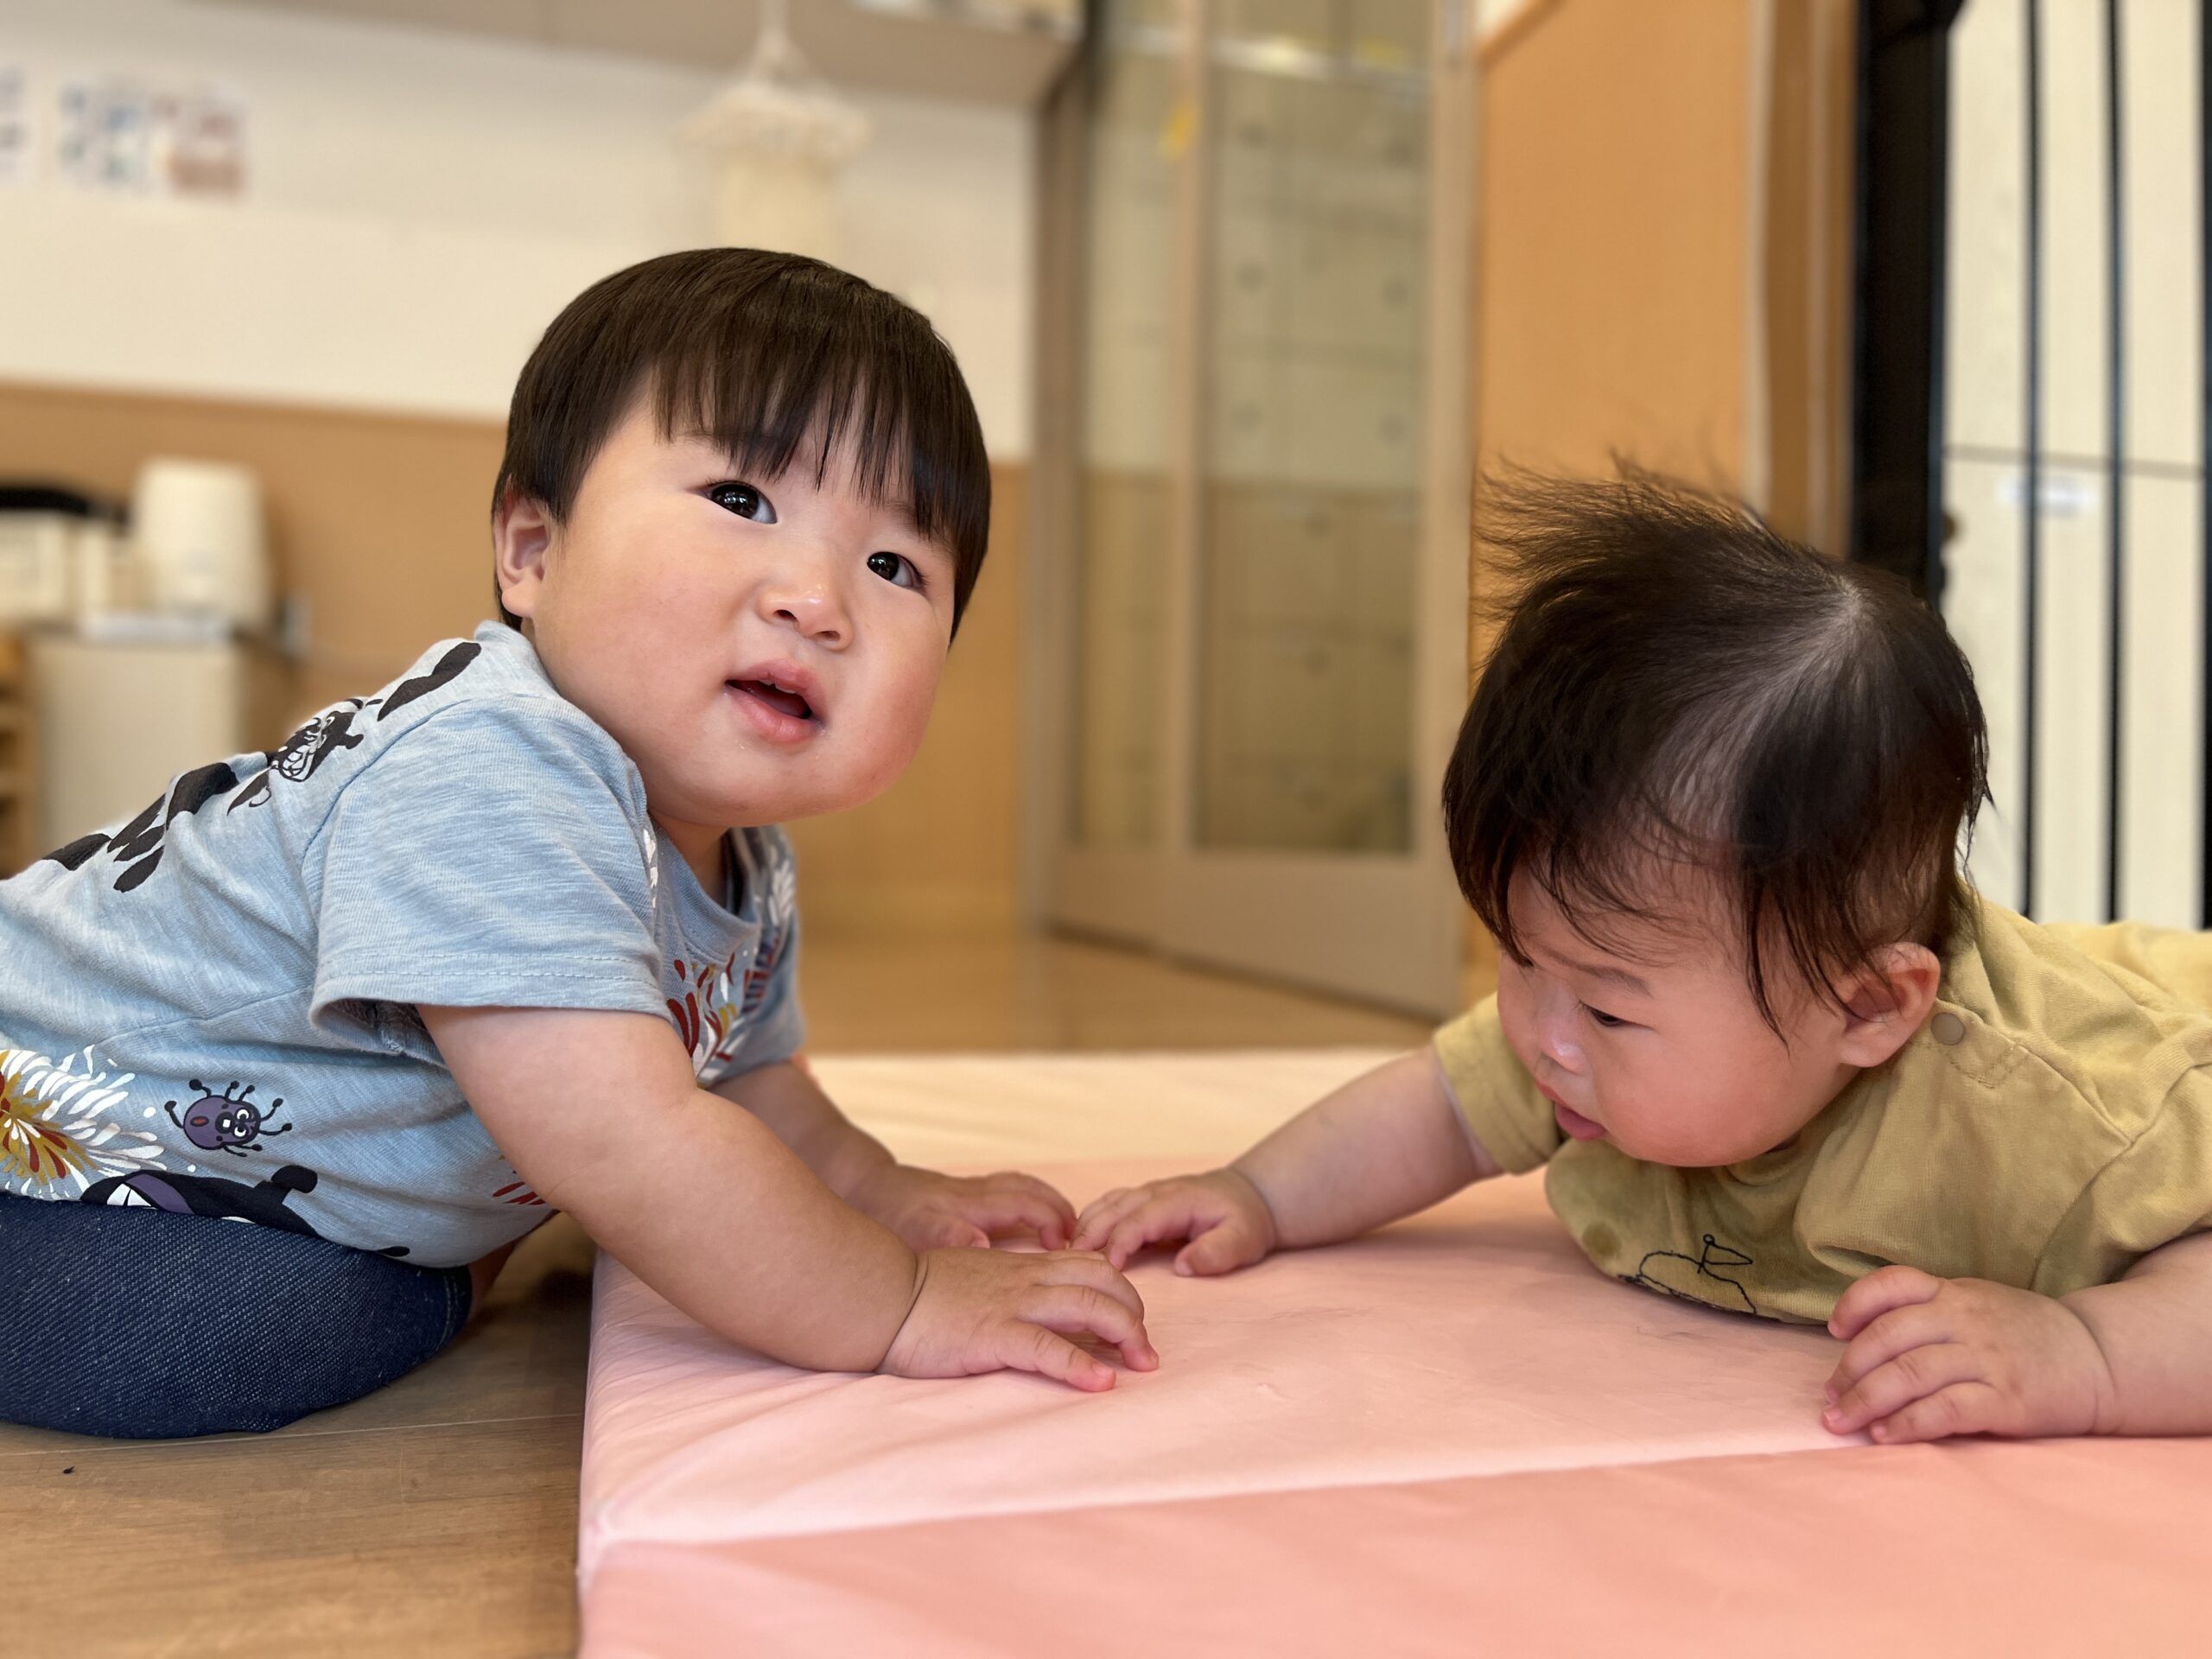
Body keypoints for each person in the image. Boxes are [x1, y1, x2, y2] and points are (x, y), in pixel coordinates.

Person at [0, 249, 1153, 1440]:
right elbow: (633, 1149)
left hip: (219, 1169)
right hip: (61, 1148)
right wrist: (896, 1302)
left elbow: (751, 1082)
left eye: (893, 564)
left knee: (600, 1212)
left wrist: (878, 1195)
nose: (818, 598)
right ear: (533, 552)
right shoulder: (491, 766)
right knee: (221, 1343)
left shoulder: (743, 854)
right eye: (741, 500)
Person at [1072, 472, 2212, 1446]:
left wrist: (2084, 1353)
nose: (1542, 1037)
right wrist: (1256, 1193)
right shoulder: (1585, 1025)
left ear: (1867, 1008)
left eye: (1610, 1013)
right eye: (1520, 958)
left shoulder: (2051, 1126)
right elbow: (1437, 1110)